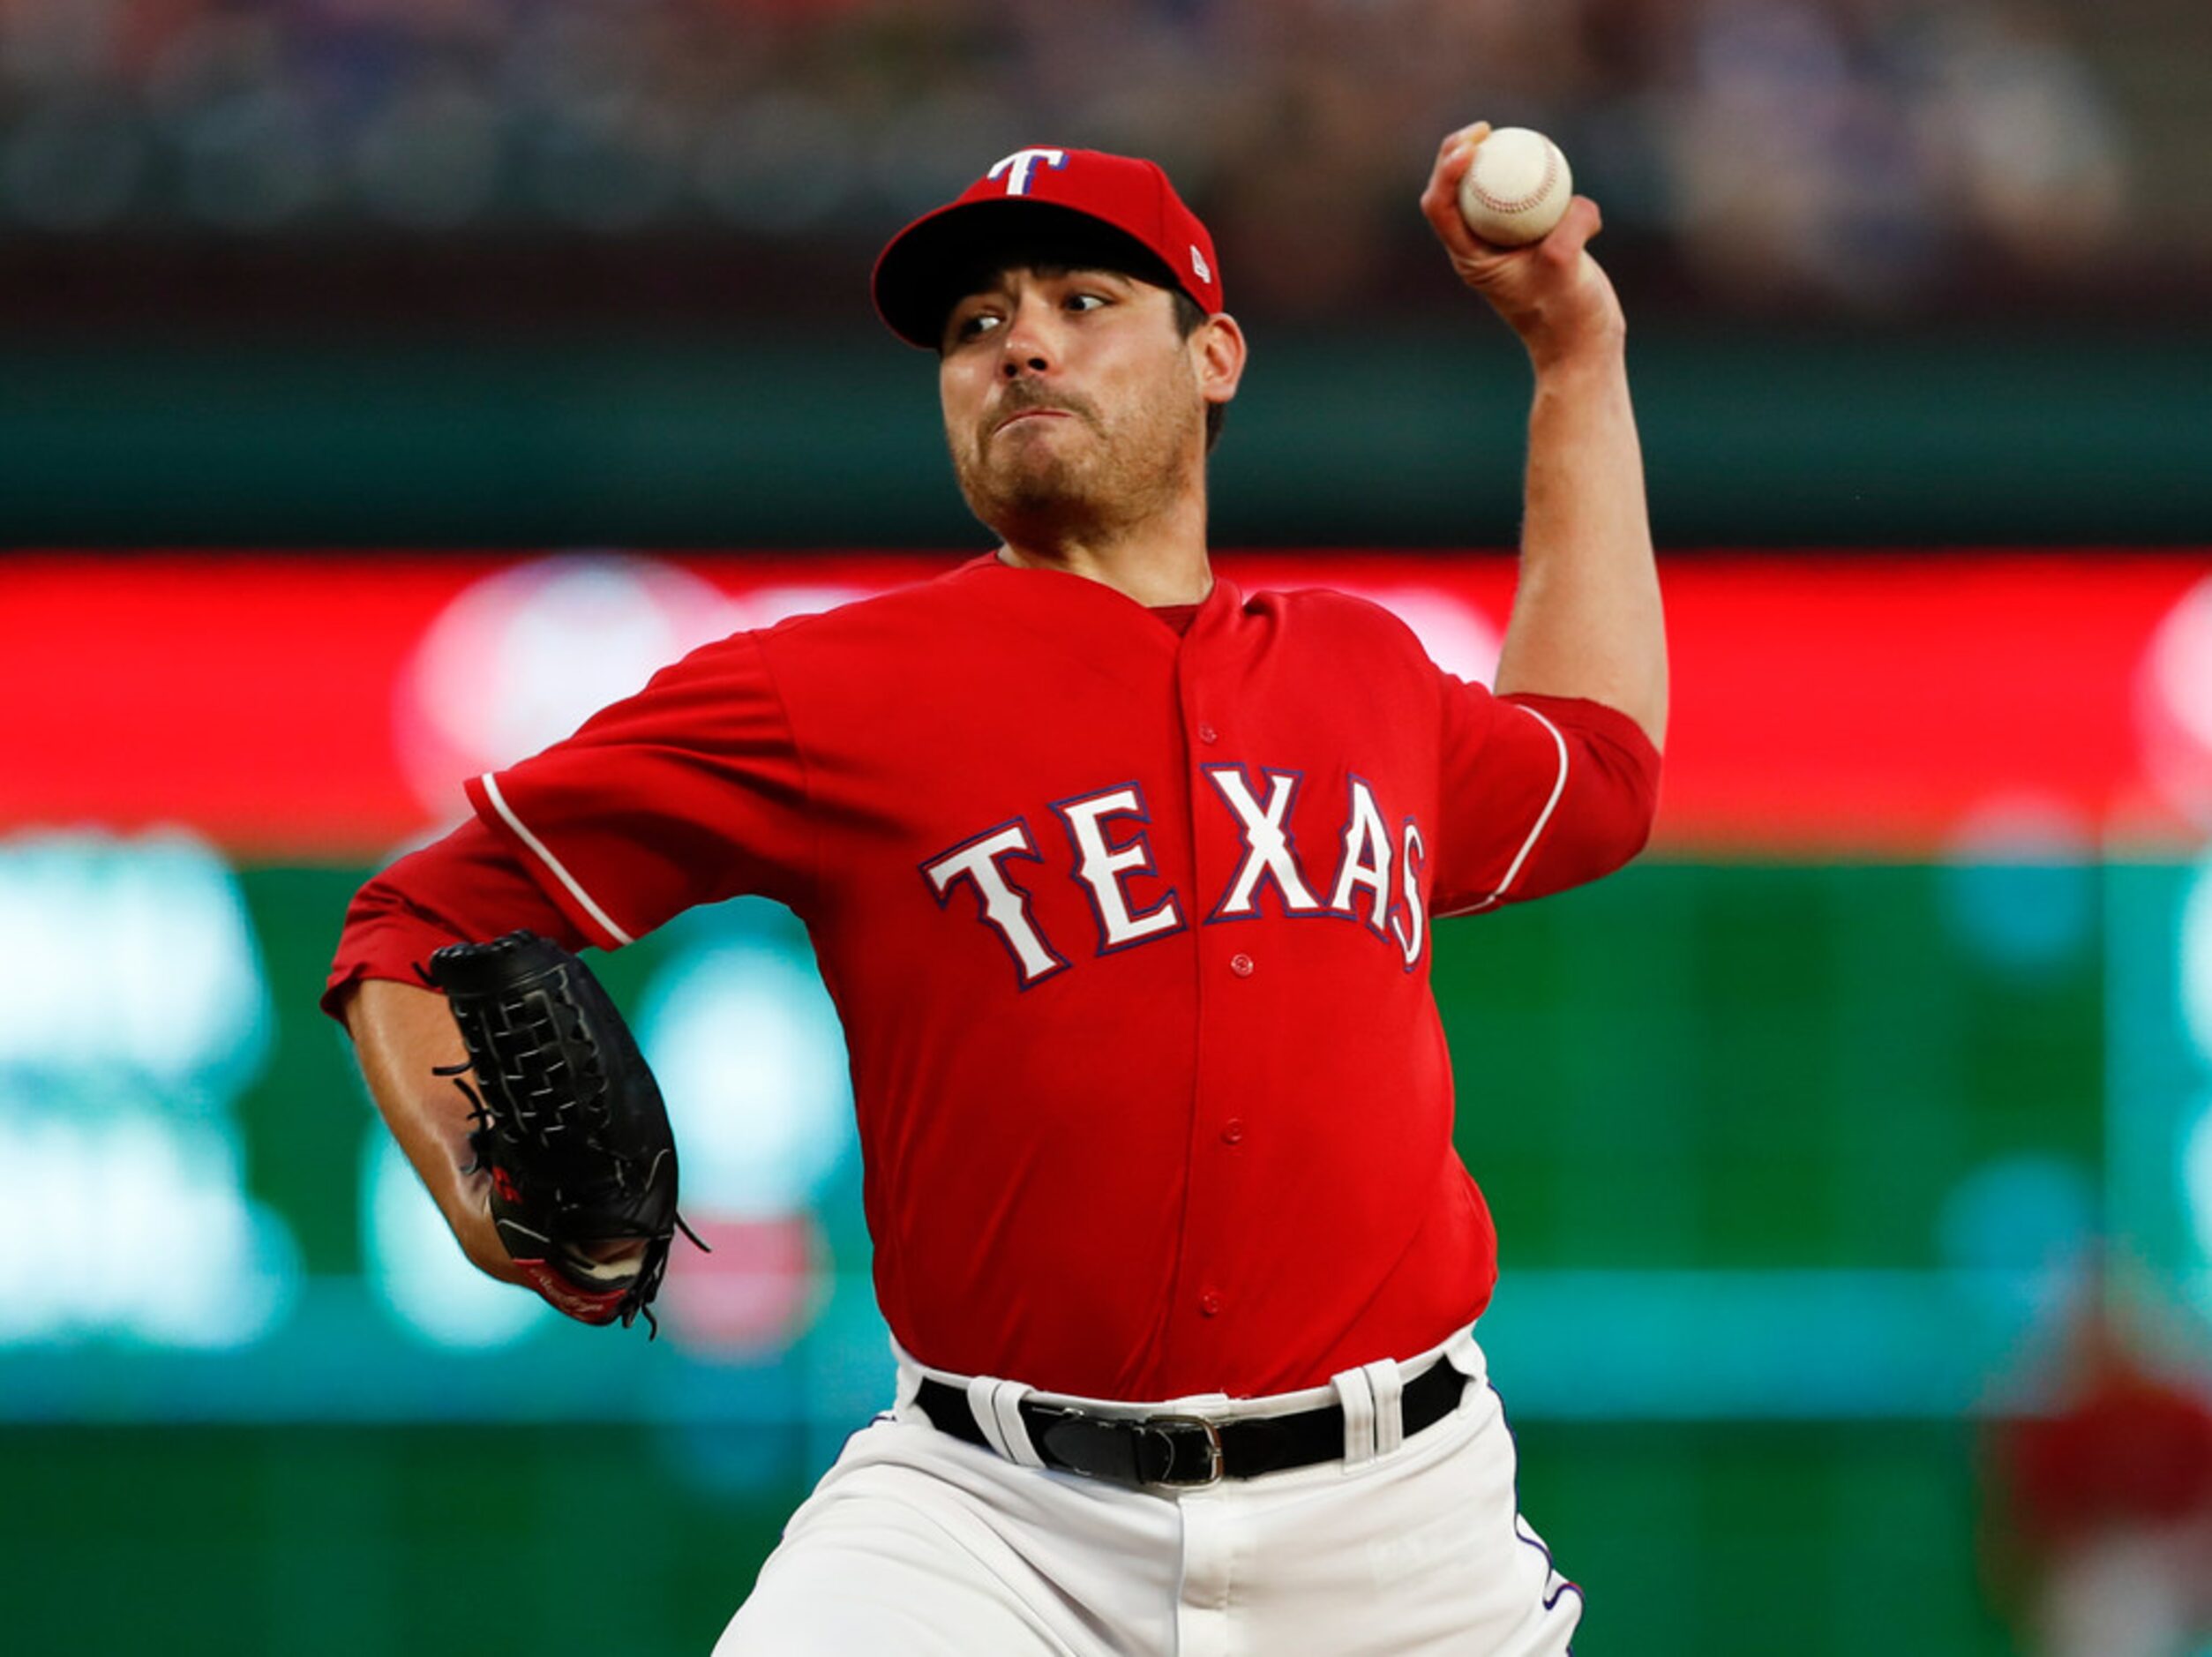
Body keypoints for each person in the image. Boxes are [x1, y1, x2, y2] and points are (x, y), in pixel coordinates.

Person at [326, 126, 1666, 1654]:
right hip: (989, 1518)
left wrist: (1576, 355)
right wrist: (479, 1192)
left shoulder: (1364, 670)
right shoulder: (825, 690)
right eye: (976, 327)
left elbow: (1599, 774)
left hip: (1395, 1524)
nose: (1019, 339)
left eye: (1083, 300)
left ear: (1213, 354)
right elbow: (415, 919)